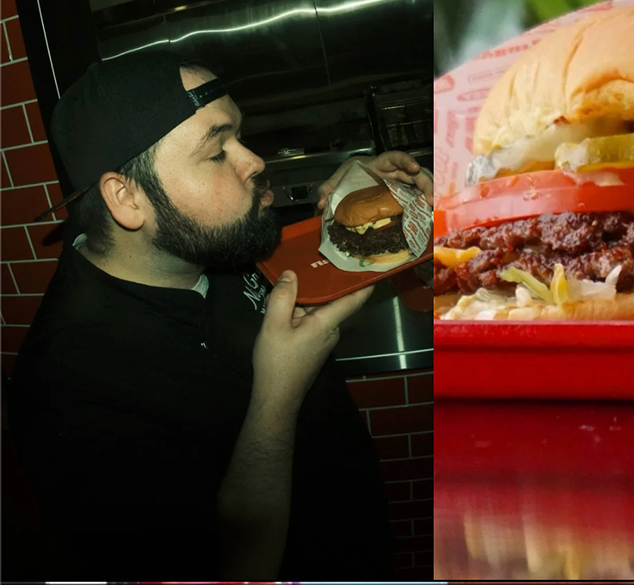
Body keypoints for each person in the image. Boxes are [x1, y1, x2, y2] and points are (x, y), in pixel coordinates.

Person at [8, 52, 399, 578]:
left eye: (240, 135)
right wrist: (277, 394)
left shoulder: (210, 234)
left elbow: (288, 255)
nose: (254, 161)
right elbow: (229, 565)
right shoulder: (69, 388)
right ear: (127, 198)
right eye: (217, 152)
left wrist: (351, 206)